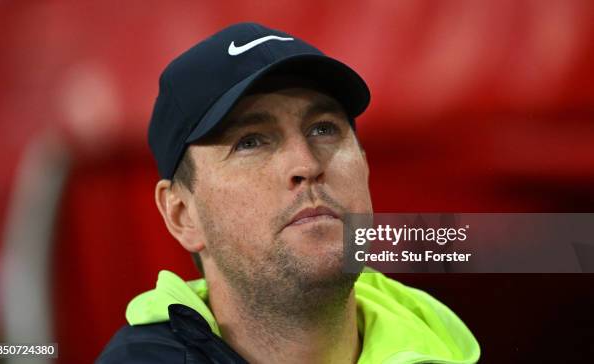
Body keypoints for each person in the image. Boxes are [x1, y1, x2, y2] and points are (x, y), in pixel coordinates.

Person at [97, 22, 480, 363]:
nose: (307, 165)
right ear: (182, 214)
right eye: (250, 142)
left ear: (365, 164)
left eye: (324, 129)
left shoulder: (444, 346)